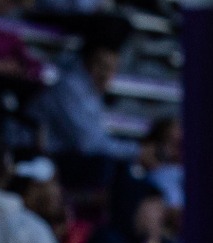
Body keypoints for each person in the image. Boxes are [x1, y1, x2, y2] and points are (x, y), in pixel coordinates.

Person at [30, 34, 137, 176]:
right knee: (104, 165)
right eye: (102, 66)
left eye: (111, 69)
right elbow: (88, 145)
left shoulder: (93, 93)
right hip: (34, 152)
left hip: (62, 155)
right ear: (87, 62)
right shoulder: (69, 87)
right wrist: (136, 151)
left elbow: (99, 137)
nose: (105, 75)